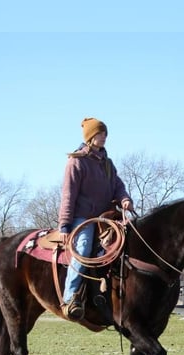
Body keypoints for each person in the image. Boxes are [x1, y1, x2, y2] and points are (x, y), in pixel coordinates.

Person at [58, 117, 134, 320]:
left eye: (105, 133)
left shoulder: (107, 164)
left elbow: (118, 186)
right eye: (100, 133)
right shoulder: (76, 162)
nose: (104, 137)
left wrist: (125, 199)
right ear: (91, 137)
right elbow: (68, 195)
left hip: (106, 217)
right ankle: (70, 298)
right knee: (83, 247)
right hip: (83, 218)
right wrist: (64, 226)